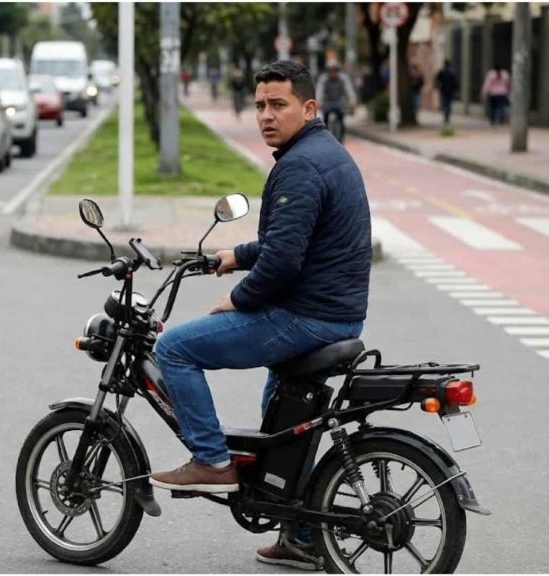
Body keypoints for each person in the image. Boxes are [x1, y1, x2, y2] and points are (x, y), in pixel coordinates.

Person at [148, 60, 372, 570]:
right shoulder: (326, 153)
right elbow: (291, 241)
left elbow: (284, 261)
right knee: (285, 422)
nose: (266, 115)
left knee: (174, 347)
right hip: (337, 314)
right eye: (260, 106)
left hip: (307, 315)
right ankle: (301, 535)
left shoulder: (300, 165)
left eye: (278, 104)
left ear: (308, 108)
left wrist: (240, 297)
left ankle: (212, 461)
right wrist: (237, 255)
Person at [314, 60, 358, 141]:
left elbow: (349, 90)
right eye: (330, 71)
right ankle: (326, 137)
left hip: (339, 101)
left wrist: (352, 100)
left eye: (335, 70)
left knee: (341, 119)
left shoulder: (343, 78)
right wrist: (318, 101)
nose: (333, 73)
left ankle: (341, 136)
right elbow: (319, 90)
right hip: (328, 102)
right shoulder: (323, 79)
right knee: (325, 120)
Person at [434, 60, 460, 125]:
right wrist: (456, 90)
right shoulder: (452, 73)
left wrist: (437, 86)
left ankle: (446, 115)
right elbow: (456, 82)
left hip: (444, 90)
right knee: (448, 103)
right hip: (450, 91)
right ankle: (447, 115)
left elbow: (437, 80)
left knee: (445, 103)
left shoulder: (442, 72)